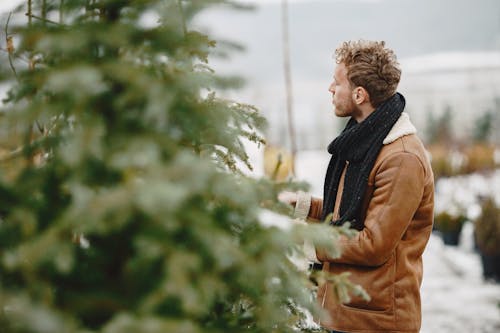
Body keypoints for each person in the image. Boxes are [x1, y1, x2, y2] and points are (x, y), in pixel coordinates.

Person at [283, 40, 434, 333]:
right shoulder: (363, 142)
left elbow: (373, 244)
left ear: (359, 94)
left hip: (374, 320)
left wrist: (308, 242)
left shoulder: (401, 158)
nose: (330, 88)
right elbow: (348, 213)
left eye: (336, 82)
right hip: (345, 312)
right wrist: (300, 205)